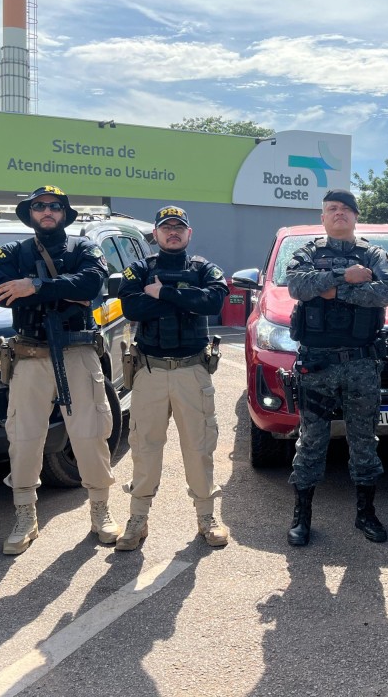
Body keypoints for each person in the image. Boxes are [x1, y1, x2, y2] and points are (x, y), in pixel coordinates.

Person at [0, 185, 122, 555]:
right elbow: (1, 292)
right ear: (30, 213)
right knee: (24, 437)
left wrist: (33, 285)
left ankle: (100, 510)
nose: (47, 211)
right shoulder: (11, 252)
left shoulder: (84, 248)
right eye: (40, 206)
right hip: (30, 354)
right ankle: (24, 515)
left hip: (77, 350)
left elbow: (91, 284)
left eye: (54, 206)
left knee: (90, 433)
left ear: (64, 213)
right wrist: (64, 289)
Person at [285, 189, 388, 546]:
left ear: (355, 216)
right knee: (311, 441)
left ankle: (366, 514)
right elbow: (296, 285)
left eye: (346, 209)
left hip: (361, 363)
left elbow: (386, 292)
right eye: (332, 209)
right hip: (317, 364)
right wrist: (345, 276)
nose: (339, 213)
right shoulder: (306, 252)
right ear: (322, 217)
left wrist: (332, 290)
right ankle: (302, 517)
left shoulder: (375, 254)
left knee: (364, 440)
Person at [114, 205, 230, 550]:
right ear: (156, 234)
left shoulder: (204, 268)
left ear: (189, 233)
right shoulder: (139, 269)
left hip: (192, 371)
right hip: (149, 371)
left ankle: (206, 517)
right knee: (144, 447)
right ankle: (138, 519)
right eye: (167, 227)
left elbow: (214, 303)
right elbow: (132, 308)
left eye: (179, 227)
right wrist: (186, 299)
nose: (173, 232)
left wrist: (163, 293)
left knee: (199, 447)